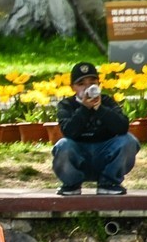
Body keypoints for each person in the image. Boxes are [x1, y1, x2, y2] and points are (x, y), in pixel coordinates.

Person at [53, 61, 140, 196]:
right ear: (73, 87)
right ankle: (71, 184)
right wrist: (85, 109)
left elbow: (122, 127)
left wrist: (100, 109)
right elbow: (69, 131)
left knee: (129, 141)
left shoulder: (107, 101)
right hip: (79, 154)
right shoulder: (66, 104)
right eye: (81, 84)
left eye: (92, 82)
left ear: (98, 84)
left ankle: (109, 182)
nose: (87, 87)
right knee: (63, 145)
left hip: (105, 154)